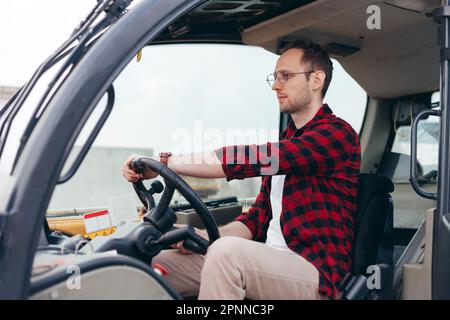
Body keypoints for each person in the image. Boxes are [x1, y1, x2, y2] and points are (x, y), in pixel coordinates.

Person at [122, 39, 361, 300]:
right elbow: (257, 219)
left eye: (286, 76)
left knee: (227, 255)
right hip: (267, 261)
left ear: (316, 80)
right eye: (275, 77)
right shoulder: (288, 140)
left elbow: (252, 159)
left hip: (315, 274)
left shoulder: (337, 134)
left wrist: (167, 164)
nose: (276, 86)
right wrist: (202, 237)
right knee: (148, 264)